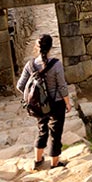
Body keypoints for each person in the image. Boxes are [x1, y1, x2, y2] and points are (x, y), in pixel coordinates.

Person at [16, 34, 71, 170]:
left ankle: (38, 161)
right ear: (51, 47)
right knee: (55, 134)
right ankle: (54, 163)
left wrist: (32, 97)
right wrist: (67, 103)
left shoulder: (30, 65)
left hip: (38, 106)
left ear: (37, 47)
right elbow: (62, 86)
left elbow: (20, 86)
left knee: (42, 131)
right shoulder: (56, 64)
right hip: (56, 104)